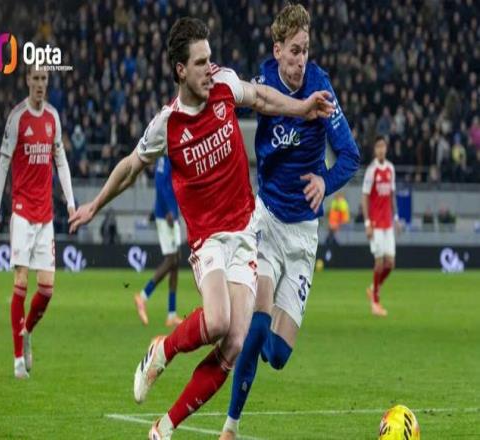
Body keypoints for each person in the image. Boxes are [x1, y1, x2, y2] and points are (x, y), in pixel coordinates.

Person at [68, 17, 334, 440]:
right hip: (208, 239)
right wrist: (95, 204)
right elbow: (131, 167)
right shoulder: (167, 124)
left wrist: (302, 108)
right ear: (180, 70)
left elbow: (262, 98)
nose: (210, 69)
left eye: (210, 59)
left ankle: (164, 427)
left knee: (235, 343)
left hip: (245, 232)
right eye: (200, 63)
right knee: (219, 320)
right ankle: (163, 348)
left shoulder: (224, 84)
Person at [219, 5, 360, 439]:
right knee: (258, 322)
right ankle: (230, 426)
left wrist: (325, 180)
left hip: (303, 235)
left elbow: (350, 155)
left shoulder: (321, 88)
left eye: (306, 50)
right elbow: (234, 105)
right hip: (267, 219)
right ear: (277, 49)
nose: (301, 59)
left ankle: (255, 336)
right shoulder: (263, 82)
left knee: (277, 354)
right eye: (294, 51)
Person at [0, 66, 75, 379]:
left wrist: (71, 202)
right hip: (22, 212)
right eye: (35, 79)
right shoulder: (17, 118)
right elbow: (2, 166)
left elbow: (61, 161)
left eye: (44, 79)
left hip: (46, 214)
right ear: (27, 81)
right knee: (21, 281)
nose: (39, 84)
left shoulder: (53, 118)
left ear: (48, 82)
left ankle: (26, 332)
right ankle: (16, 360)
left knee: (47, 289)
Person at [134, 154, 183, 327]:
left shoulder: (170, 156)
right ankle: (143, 296)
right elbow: (161, 184)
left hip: (172, 213)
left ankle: (171, 313)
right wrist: (170, 211)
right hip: (166, 215)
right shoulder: (164, 158)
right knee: (171, 260)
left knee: (176, 261)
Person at [362, 136, 399, 317]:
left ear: (386, 148)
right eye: (378, 146)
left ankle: (373, 288)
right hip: (376, 223)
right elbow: (364, 197)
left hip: (388, 223)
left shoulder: (391, 168)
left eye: (383, 146)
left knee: (390, 263)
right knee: (379, 263)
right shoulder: (371, 170)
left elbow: (392, 195)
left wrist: (396, 217)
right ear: (375, 150)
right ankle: (375, 302)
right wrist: (367, 223)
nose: (381, 149)